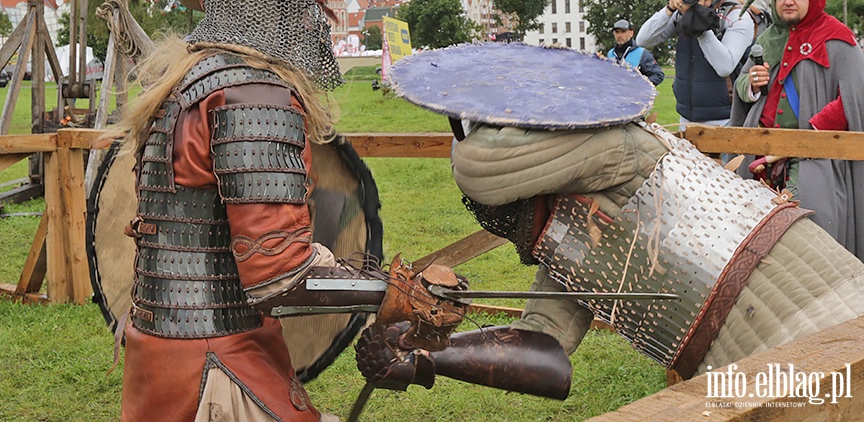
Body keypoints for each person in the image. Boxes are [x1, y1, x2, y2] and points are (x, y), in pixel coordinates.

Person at [355, 44, 864, 400]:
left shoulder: (621, 148)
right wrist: (425, 357)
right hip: (739, 360)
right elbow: (545, 352)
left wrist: (475, 124)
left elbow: (477, 168)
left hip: (822, 318)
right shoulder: (578, 231)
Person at [114, 0, 392, 422]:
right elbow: (278, 274)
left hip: (162, 356)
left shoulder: (185, 84)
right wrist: (383, 294)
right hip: (215, 369)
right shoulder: (254, 95)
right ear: (294, 14)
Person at [730, 0, 864, 261]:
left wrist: (813, 132)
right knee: (743, 224)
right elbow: (742, 85)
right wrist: (751, 84)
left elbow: (855, 97)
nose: (788, 1)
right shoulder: (767, 38)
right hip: (760, 153)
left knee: (815, 221)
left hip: (817, 153)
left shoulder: (838, 38)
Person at [636, 0, 754, 126]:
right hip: (686, 117)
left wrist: (699, 24)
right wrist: (669, 9)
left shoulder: (736, 15)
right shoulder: (682, 12)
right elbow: (643, 40)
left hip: (726, 118)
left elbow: (725, 66)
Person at [606, 19, 664, 85]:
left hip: (636, 94)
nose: (619, 35)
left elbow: (658, 75)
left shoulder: (642, 53)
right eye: (617, 32)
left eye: (623, 32)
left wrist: (639, 85)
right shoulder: (610, 54)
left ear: (631, 33)